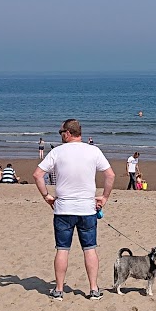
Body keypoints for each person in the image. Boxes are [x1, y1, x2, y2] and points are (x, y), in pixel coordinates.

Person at [34, 118, 114, 300]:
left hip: (64, 209)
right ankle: (94, 289)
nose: (61, 135)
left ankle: (59, 290)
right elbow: (110, 175)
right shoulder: (93, 151)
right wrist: (104, 197)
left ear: (68, 133)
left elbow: (38, 175)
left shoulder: (58, 152)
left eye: (61, 132)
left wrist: (46, 196)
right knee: (90, 249)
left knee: (62, 249)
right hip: (87, 208)